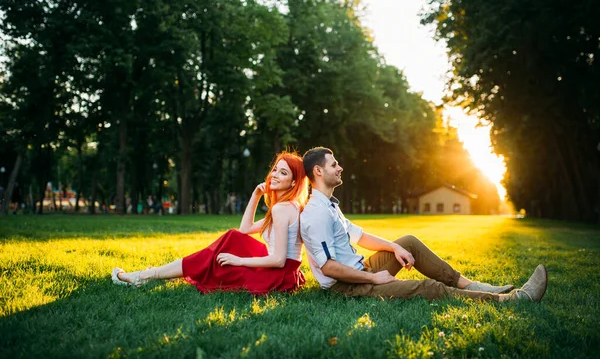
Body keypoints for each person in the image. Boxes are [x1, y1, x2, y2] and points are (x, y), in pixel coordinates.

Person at [300, 147, 548, 302]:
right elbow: (329, 267)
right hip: (347, 287)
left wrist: (393, 248)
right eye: (334, 164)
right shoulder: (316, 213)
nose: (340, 167)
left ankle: (470, 285)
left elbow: (360, 235)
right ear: (318, 171)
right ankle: (512, 300)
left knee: (407, 243)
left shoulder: (330, 205)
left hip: (363, 269)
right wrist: (375, 280)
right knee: (429, 288)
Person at [112, 151, 309, 294]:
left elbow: (279, 260)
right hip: (285, 274)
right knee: (232, 237)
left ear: (294, 182)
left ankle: (144, 276)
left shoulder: (282, 209)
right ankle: (157, 273)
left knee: (214, 258)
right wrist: (255, 194)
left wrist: (238, 260)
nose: (274, 175)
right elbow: (245, 229)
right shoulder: (286, 206)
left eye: (283, 173)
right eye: (275, 169)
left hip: (277, 276)